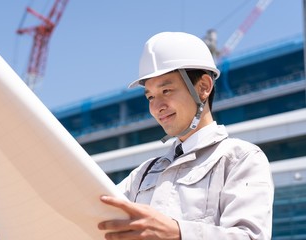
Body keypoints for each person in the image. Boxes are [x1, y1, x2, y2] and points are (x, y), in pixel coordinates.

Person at [97, 32, 274, 240]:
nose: (157, 107)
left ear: (204, 87)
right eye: (150, 97)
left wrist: (178, 233)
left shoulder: (240, 158)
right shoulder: (143, 174)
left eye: (167, 91)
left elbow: (251, 237)